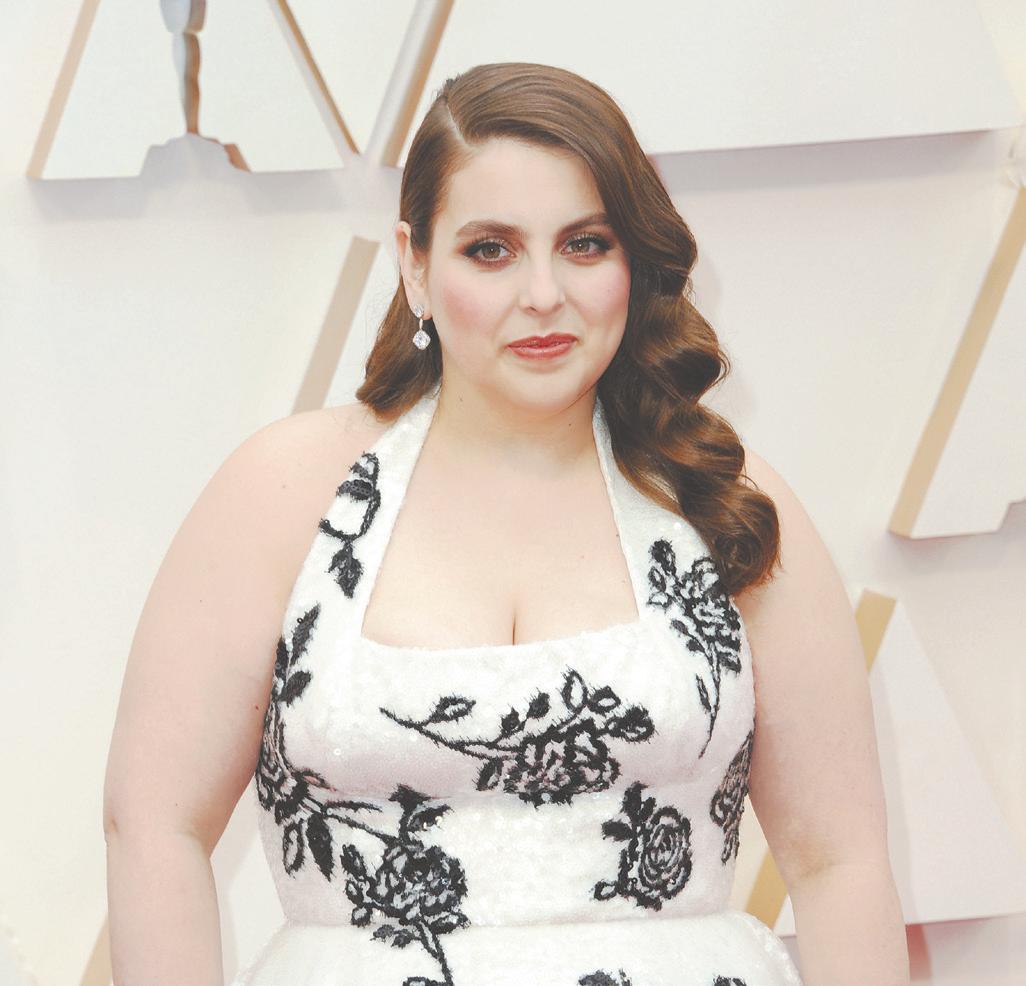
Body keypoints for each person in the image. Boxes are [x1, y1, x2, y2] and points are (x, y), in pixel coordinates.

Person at [103, 62, 909, 986]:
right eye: (491, 249)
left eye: (585, 244)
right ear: (415, 264)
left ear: (632, 262)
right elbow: (152, 823)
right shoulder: (285, 494)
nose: (543, 294)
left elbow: (839, 863)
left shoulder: (720, 498)